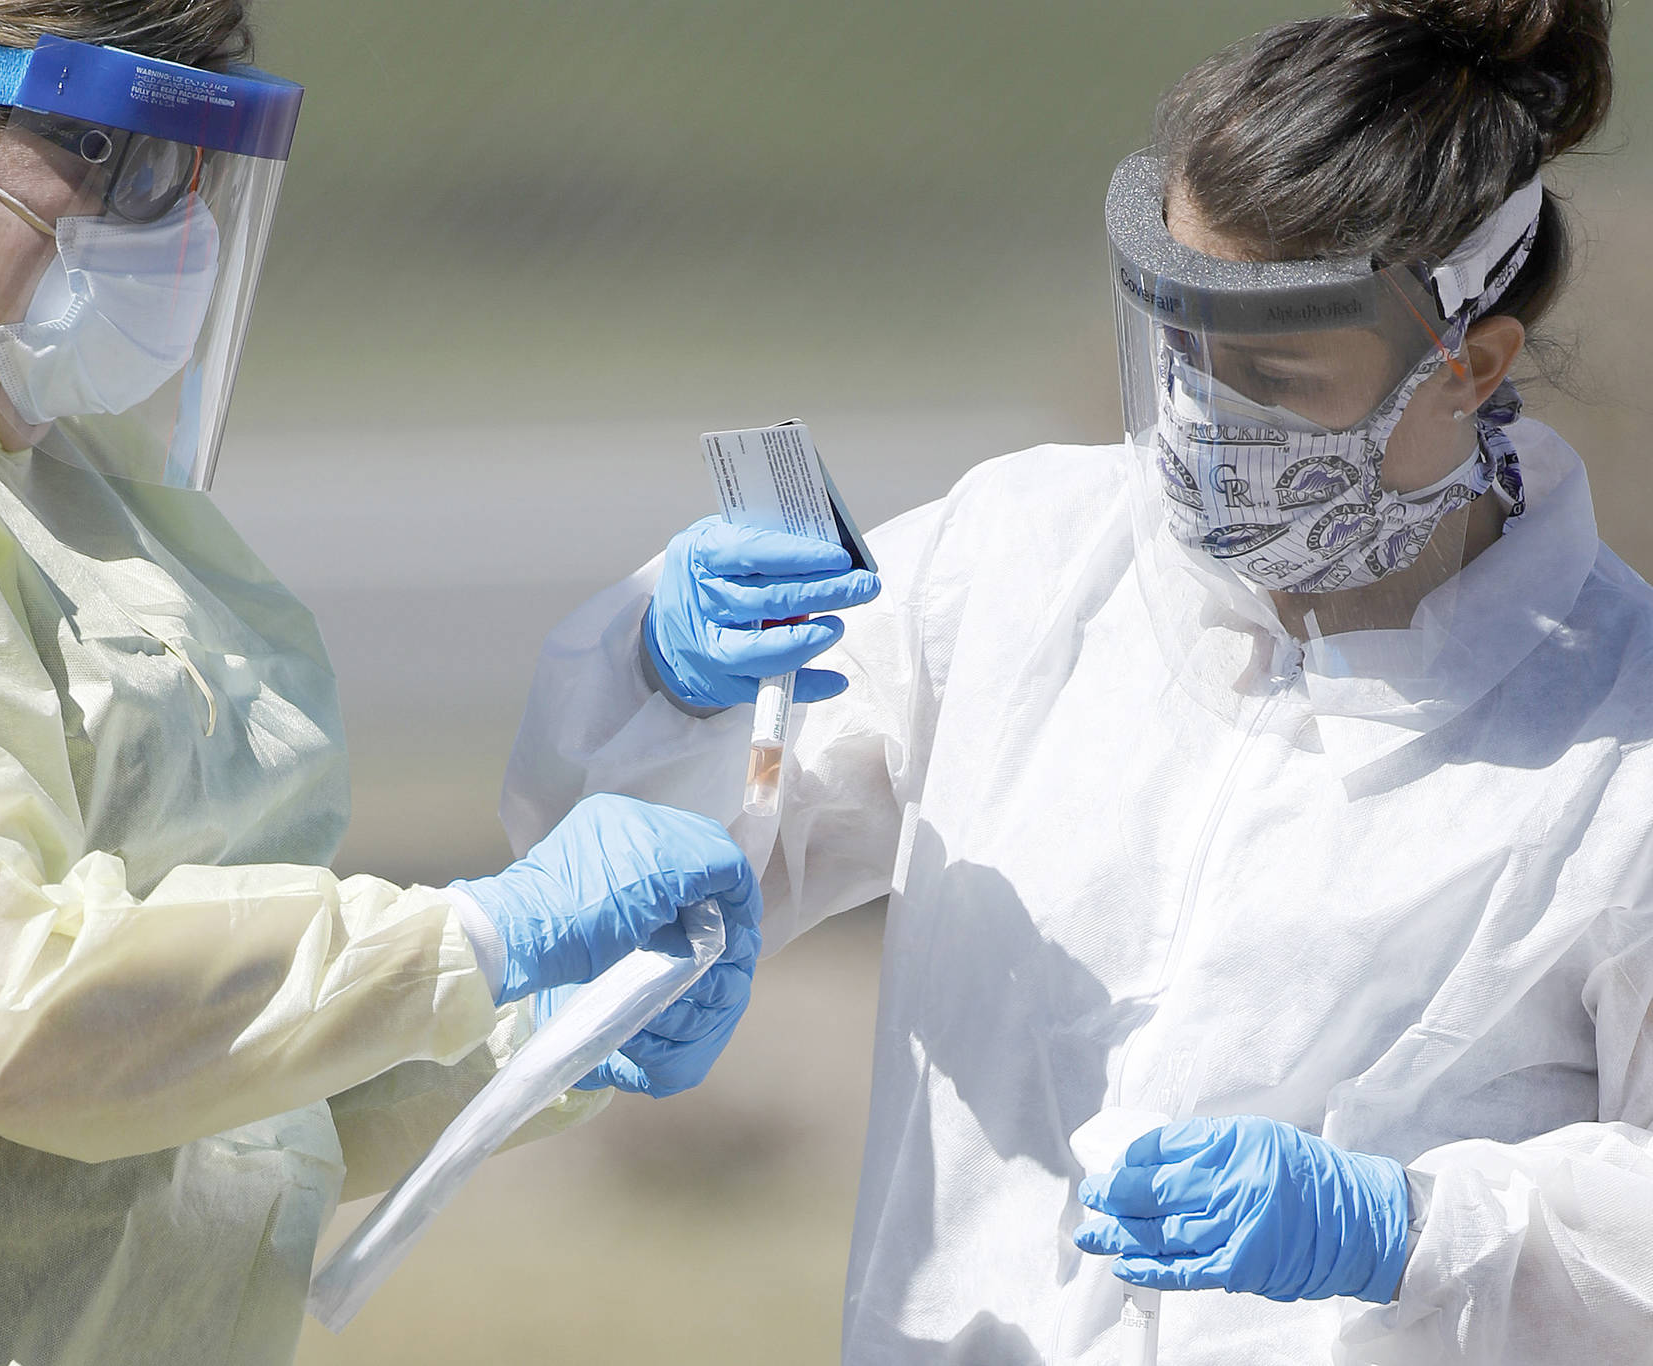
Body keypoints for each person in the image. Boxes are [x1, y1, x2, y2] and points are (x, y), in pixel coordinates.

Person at [0, 2, 762, 1362]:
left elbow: (202, 1053)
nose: (173, 228)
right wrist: (474, 941)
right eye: (115, 152)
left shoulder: (52, 480)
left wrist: (537, 1023)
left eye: (194, 169)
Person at [502, 0, 1653, 1360]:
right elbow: (656, 859)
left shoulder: (1613, 751)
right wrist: (662, 678)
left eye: (1275, 374)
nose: (1203, 422)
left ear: (1470, 365)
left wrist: (1411, 1225)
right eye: (1180, 347)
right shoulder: (1017, 567)